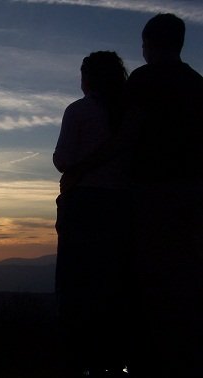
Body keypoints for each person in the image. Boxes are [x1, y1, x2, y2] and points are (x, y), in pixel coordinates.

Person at [122, 13, 203, 378]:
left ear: (148, 44)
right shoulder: (197, 83)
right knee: (185, 275)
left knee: (147, 278)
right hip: (193, 192)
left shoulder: (142, 80)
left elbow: (129, 132)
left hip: (149, 191)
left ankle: (148, 359)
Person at [53, 51, 131, 377]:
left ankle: (81, 361)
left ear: (87, 78)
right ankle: (115, 360)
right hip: (122, 207)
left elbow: (63, 159)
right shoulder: (131, 112)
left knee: (76, 285)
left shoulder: (80, 111)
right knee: (114, 285)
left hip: (83, 205)